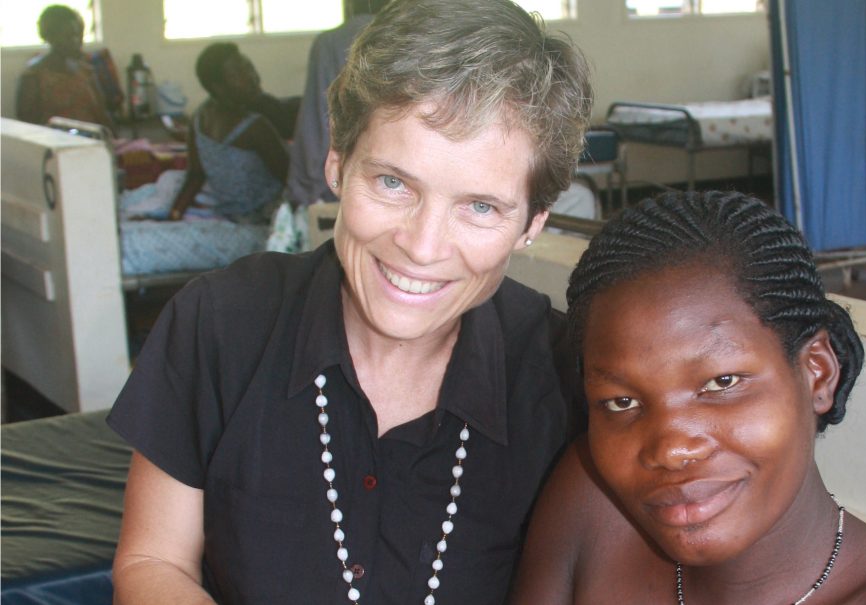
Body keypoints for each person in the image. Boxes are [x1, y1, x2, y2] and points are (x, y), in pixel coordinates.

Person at [106, 0, 593, 603]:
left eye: (481, 207)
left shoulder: (569, 376)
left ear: (532, 225)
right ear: (337, 163)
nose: (421, 246)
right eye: (392, 182)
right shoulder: (220, 323)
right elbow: (155, 560)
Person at [511, 190, 866, 604]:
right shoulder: (592, 508)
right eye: (621, 402)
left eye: (722, 383)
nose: (672, 449)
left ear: (817, 373)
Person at [167, 42, 288, 222]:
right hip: (264, 220)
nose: (252, 77)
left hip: (230, 216)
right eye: (238, 74)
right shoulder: (255, 127)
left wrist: (174, 215)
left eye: (249, 68)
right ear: (218, 86)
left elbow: (195, 177)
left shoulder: (199, 118)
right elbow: (292, 179)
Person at [285, 0, 381, 206]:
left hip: (341, 182)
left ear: (348, 5)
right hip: (392, 179)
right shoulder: (416, 38)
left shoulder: (331, 42)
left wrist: (302, 189)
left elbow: (316, 119)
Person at [16, 4, 114, 130]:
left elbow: (103, 116)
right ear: (49, 36)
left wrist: (114, 143)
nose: (77, 41)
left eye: (79, 35)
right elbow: (28, 124)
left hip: (95, 142)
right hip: (57, 144)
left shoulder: (86, 71)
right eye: (69, 36)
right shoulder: (33, 77)